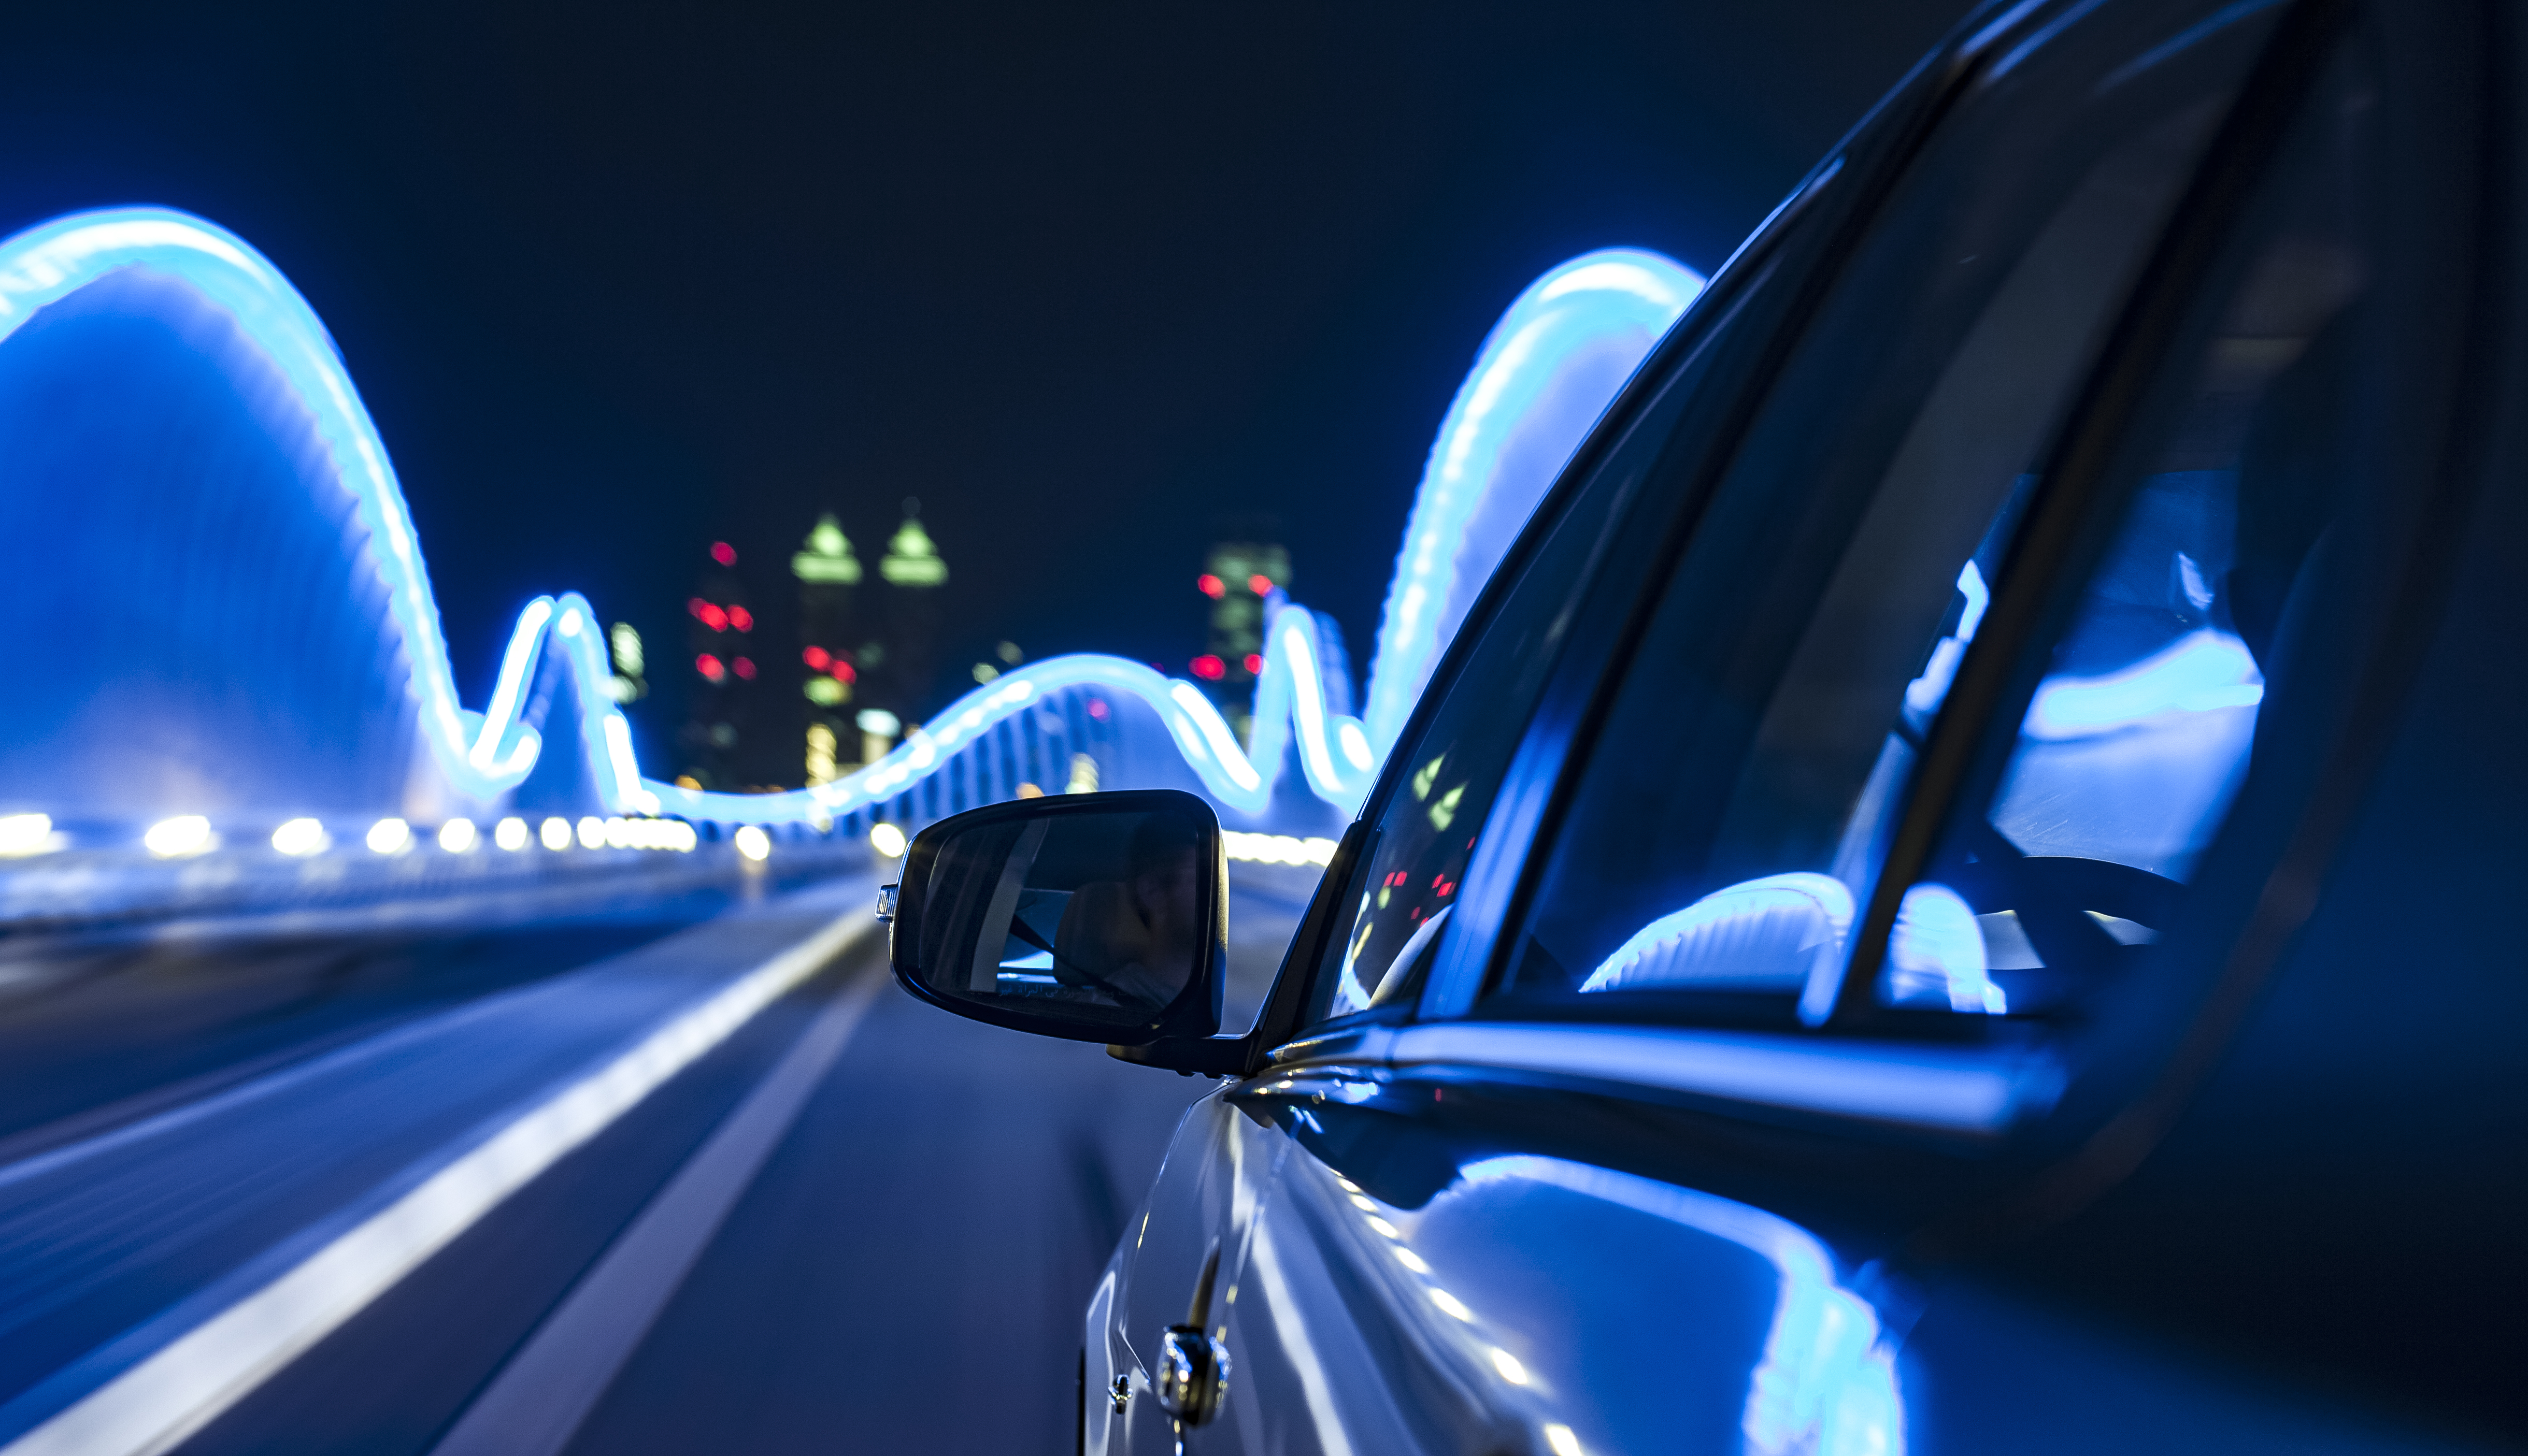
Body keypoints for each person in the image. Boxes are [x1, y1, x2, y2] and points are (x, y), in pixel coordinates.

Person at [1053, 812, 1201, 1012]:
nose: (1218, 896)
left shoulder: (1197, 999)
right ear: (1153, 892)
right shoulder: (1110, 1011)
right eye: (1200, 879)